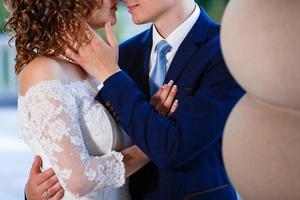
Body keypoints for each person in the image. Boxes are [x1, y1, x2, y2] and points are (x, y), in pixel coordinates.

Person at [26, 0, 245, 199]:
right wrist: (37, 191)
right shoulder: (123, 56)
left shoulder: (227, 51)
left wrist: (111, 74)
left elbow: (173, 148)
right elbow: (84, 147)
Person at [3, 0, 176, 199]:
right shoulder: (43, 71)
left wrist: (151, 120)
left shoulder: (103, 67)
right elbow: (77, 180)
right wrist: (153, 144)